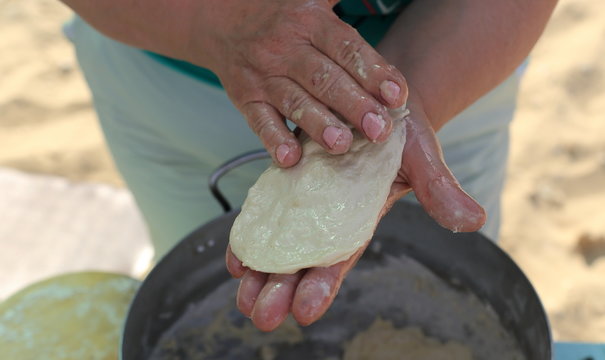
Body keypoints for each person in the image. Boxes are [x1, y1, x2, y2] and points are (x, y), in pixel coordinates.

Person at [60, 0, 556, 331]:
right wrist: (210, 24)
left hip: (447, 61)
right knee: (202, 293)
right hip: (161, 68)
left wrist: (409, 98)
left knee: (449, 310)